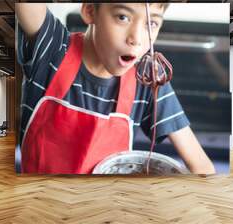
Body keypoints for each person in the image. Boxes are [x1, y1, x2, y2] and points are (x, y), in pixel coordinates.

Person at [16, 3, 216, 174]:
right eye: (123, 17)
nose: (136, 38)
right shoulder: (52, 49)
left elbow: (202, 167)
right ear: (90, 11)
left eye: (151, 23)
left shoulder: (147, 81)